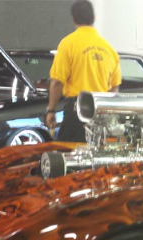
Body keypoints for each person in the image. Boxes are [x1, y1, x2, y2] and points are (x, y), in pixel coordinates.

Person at [45, 0, 121, 142]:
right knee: (96, 153)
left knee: (66, 151)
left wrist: (51, 110)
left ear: (73, 19)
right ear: (94, 18)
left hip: (77, 112)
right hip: (101, 112)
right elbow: (114, 87)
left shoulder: (68, 44)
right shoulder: (110, 49)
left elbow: (57, 82)